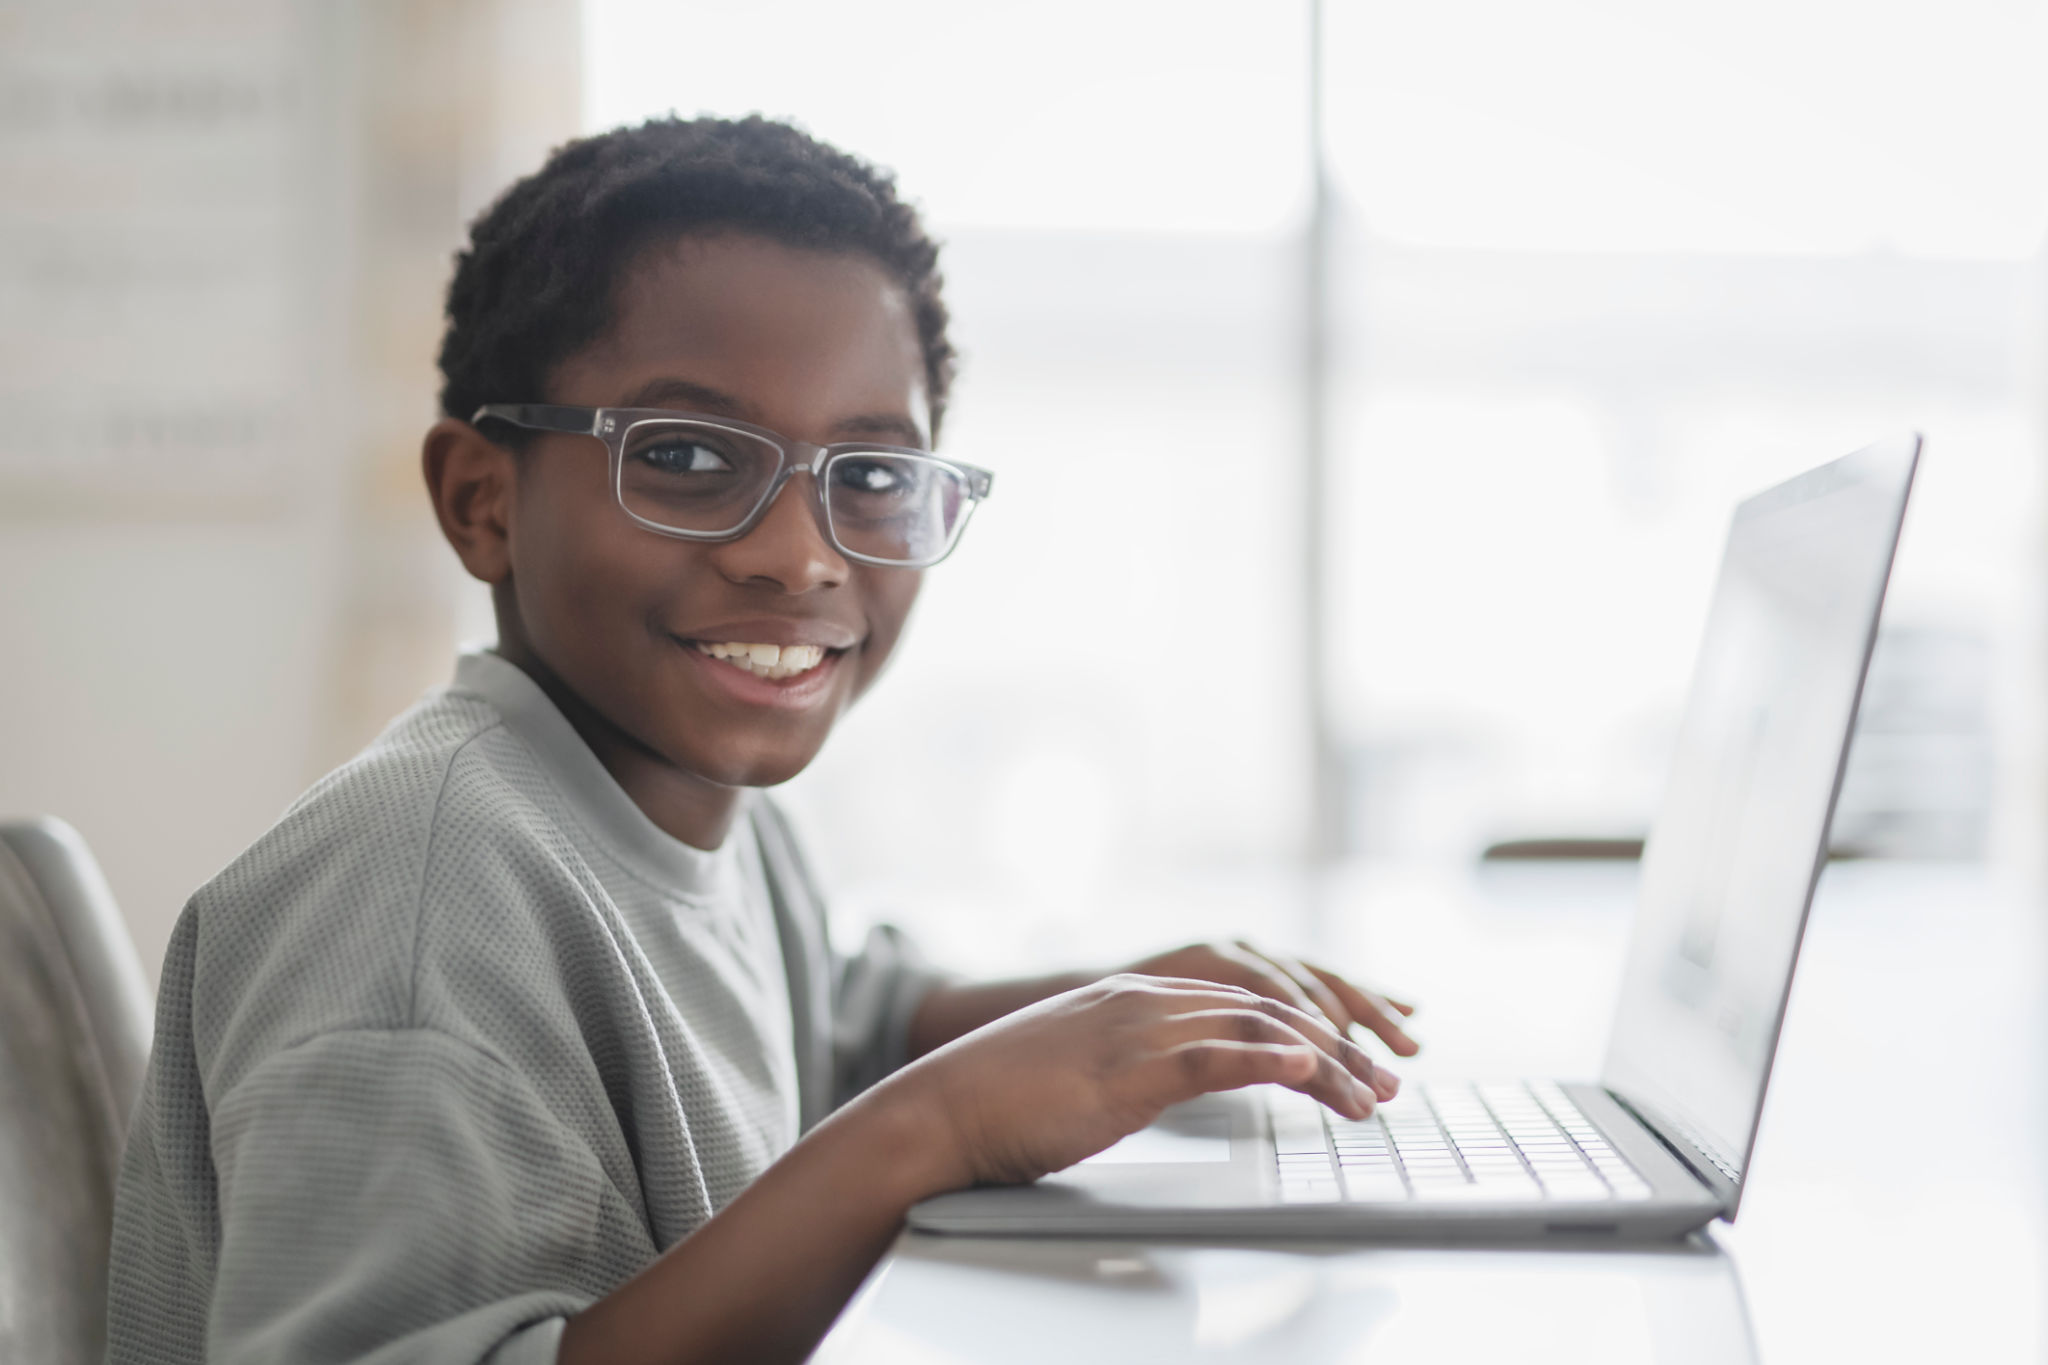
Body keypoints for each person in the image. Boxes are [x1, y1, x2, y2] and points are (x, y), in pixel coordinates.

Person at [106, 116, 1418, 1365]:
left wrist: (1120, 1012)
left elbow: (846, 1023)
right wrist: (942, 1122)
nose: (798, 554)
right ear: (481, 499)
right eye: (683, 455)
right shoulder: (417, 898)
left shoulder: (701, 807)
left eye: (872, 475)